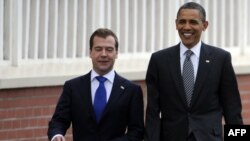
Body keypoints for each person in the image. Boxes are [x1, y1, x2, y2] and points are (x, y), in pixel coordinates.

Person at [145, 2, 243, 141]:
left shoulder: (221, 59)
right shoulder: (159, 60)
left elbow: (233, 110)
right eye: (182, 22)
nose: (186, 27)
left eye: (193, 22)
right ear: (176, 24)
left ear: (205, 25)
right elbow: (152, 112)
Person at [48, 28, 144, 141]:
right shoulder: (73, 87)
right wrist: (57, 135)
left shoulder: (131, 90)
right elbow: (58, 121)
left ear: (116, 53)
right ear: (90, 52)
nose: (103, 54)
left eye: (109, 49)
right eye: (98, 49)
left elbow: (137, 132)